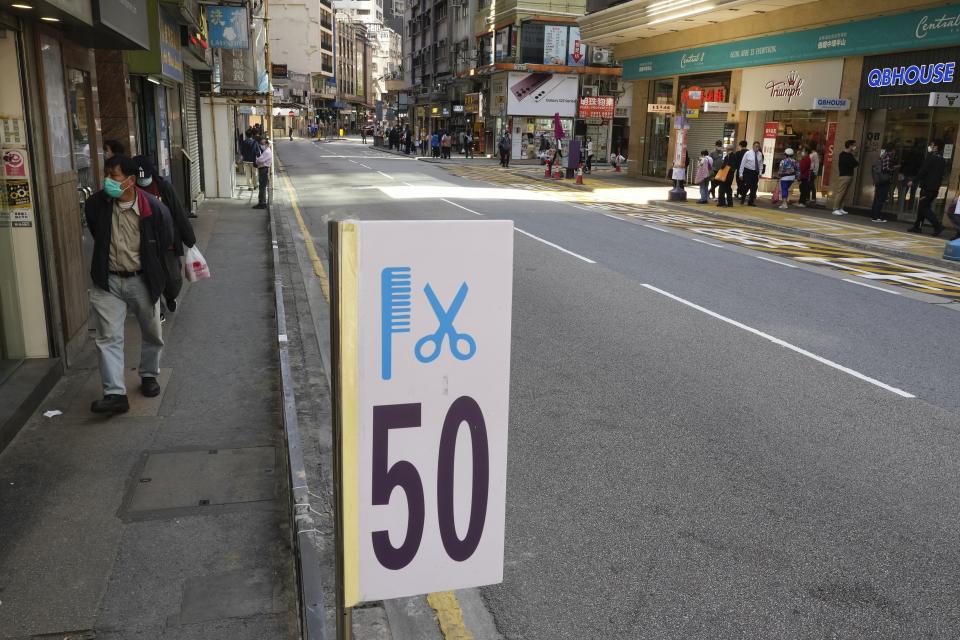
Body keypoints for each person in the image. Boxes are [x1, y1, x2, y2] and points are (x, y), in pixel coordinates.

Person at [84, 155, 173, 414]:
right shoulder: (96, 205)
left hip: (142, 279)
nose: (108, 181)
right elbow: (96, 233)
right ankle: (115, 394)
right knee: (108, 337)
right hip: (107, 280)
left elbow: (165, 240)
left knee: (152, 331)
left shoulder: (154, 209)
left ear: (132, 180)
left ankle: (148, 374)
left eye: (115, 176)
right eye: (107, 175)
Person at [133, 156, 197, 313]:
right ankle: (158, 308)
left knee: (173, 278)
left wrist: (189, 238)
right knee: (149, 278)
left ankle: (170, 296)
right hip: (143, 243)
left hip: (167, 241)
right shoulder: (131, 190)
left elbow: (178, 212)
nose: (143, 181)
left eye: (145, 177)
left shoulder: (163, 187)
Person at [907, 139, 946, 236]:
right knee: (922, 207)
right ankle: (917, 226)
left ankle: (937, 225)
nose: (930, 146)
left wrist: (914, 180)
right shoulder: (942, 159)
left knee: (924, 207)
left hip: (927, 187)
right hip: (935, 188)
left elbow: (923, 171)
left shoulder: (932, 158)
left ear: (936, 147)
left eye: (932, 145)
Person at [870, 142, 897, 223]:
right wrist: (894, 168)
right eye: (894, 150)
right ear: (892, 150)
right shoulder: (887, 157)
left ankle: (873, 215)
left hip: (879, 180)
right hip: (884, 180)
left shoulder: (882, 156)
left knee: (877, 197)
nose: (895, 152)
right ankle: (876, 216)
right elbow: (885, 169)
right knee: (881, 198)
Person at [831, 139, 858, 216]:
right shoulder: (843, 154)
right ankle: (835, 208)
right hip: (844, 176)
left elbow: (856, 163)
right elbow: (850, 164)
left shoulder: (850, 155)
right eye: (854, 145)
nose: (855, 147)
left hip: (850, 175)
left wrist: (852, 162)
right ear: (850, 146)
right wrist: (852, 163)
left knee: (845, 193)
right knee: (840, 192)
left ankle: (840, 208)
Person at [738, 141, 763, 206]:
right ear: (753, 146)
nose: (756, 148)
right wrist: (741, 173)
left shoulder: (760, 154)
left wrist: (760, 172)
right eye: (755, 146)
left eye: (758, 146)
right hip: (747, 171)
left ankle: (751, 202)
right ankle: (743, 198)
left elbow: (760, 164)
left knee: (754, 187)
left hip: (755, 172)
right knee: (747, 186)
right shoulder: (748, 153)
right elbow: (742, 163)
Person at [253, 138, 273, 209]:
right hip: (263, 169)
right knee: (262, 186)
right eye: (261, 144)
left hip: (264, 169)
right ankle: (261, 202)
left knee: (262, 187)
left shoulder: (267, 152)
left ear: (267, 144)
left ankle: (262, 203)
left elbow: (260, 160)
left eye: (263, 144)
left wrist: (256, 159)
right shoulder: (266, 151)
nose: (261, 145)